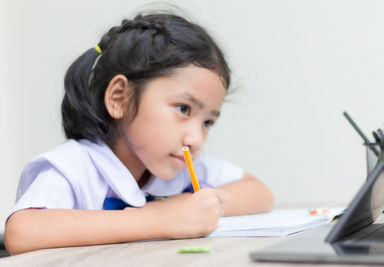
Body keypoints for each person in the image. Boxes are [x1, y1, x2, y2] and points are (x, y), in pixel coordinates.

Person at [4, 11, 274, 255]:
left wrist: (193, 207)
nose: (195, 139)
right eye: (183, 108)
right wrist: (162, 217)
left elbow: (260, 193)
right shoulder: (75, 168)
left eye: (207, 123)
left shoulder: (180, 169)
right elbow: (22, 231)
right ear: (119, 98)